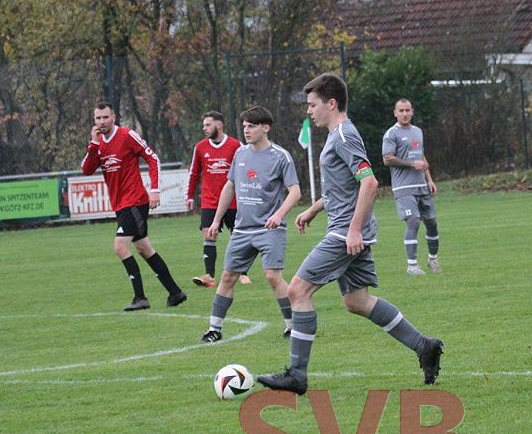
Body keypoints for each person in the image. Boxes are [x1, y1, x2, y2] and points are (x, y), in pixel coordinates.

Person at [257, 73, 444, 394]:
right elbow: (343, 187)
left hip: (345, 233)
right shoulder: (337, 135)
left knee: (297, 291)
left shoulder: (344, 134)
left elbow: (369, 182)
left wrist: (353, 230)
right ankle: (424, 346)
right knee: (357, 301)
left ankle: (297, 375)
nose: (308, 111)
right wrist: (314, 209)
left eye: (312, 104)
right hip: (348, 230)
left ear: (331, 103)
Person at [200, 106, 302, 343]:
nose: (246, 130)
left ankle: (293, 326)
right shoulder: (240, 153)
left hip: (270, 229)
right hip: (242, 230)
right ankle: (214, 329)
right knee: (227, 276)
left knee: (272, 276)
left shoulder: (281, 156)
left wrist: (279, 214)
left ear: (265, 128)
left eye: (252, 126)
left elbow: (295, 191)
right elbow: (230, 186)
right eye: (244, 126)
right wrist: (216, 220)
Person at [81, 101, 187, 311]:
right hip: (120, 204)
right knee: (144, 249)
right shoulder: (97, 144)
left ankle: (140, 298)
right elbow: (87, 169)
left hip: (135, 201)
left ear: (114, 118)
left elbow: (153, 158)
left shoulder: (127, 136)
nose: (102, 122)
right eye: (98, 118)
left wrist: (155, 189)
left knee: (120, 247)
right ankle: (175, 292)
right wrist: (93, 144)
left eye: (105, 117)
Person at [185, 111, 247, 288]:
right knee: (209, 235)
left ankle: (243, 273)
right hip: (209, 201)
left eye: (207, 125)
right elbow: (194, 172)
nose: (204, 128)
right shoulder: (200, 147)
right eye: (203, 125)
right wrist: (189, 195)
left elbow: (245, 170)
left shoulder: (236, 146)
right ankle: (209, 276)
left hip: (233, 200)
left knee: (238, 236)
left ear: (219, 125)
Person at [382, 98, 441, 275]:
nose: (405, 114)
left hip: (422, 186)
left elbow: (420, 156)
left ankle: (433, 259)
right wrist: (411, 164)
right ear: (395, 113)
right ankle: (412, 266)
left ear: (412, 112)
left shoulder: (417, 131)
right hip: (403, 188)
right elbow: (387, 159)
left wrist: (429, 179)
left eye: (407, 110)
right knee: (413, 222)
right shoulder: (391, 134)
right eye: (401, 111)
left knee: (431, 223)